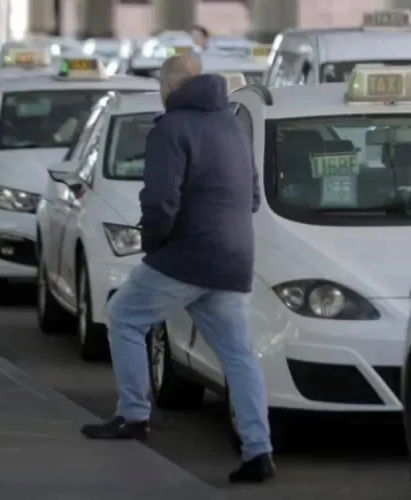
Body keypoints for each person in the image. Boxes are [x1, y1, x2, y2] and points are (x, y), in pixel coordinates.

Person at [80, 54, 275, 484]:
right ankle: (259, 450)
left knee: (123, 317)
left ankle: (132, 414)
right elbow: (254, 198)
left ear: (169, 88)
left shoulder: (171, 127)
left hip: (186, 256)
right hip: (233, 259)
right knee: (239, 356)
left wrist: (154, 240)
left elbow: (160, 200)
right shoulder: (233, 126)